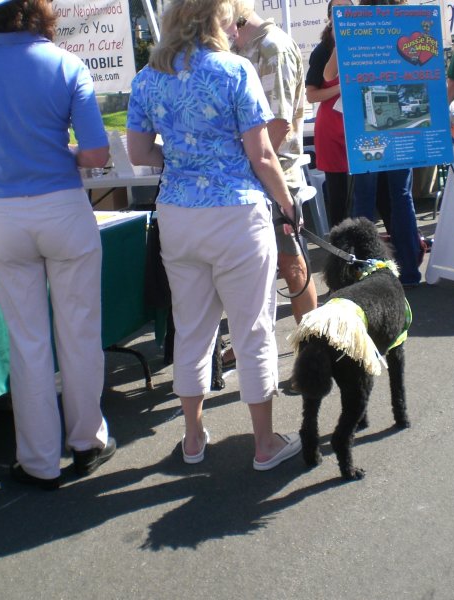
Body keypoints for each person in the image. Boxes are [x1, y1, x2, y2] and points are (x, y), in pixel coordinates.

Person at [0, 0, 116, 490]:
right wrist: (57, 152)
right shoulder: (65, 64)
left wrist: (4, 153)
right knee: (79, 332)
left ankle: (39, 460)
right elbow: (97, 153)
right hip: (63, 206)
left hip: (4, 214)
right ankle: (87, 442)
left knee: (26, 342)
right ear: (36, 11)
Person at [125, 0, 302, 469]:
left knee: (192, 328)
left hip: (178, 216)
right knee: (253, 328)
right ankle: (264, 444)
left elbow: (140, 152)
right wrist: (287, 203)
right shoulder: (235, 70)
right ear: (214, 18)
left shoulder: (147, 77)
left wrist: (184, 159)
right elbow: (262, 155)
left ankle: (192, 437)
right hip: (236, 215)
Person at [233, 0, 318, 328]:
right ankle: (249, 346)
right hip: (254, 173)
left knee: (291, 265)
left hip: (276, 173)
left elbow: (278, 126)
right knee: (256, 269)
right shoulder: (242, 48)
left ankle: (313, 347)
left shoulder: (273, 48)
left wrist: (246, 162)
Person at [346, 0, 423, 289]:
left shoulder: (356, 22)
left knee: (365, 201)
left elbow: (331, 74)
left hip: (364, 125)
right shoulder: (408, 20)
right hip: (398, 122)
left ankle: (366, 273)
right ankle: (410, 273)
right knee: (401, 197)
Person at [305, 0, 353, 229]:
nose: (344, 14)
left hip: (359, 126)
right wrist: (339, 88)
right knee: (338, 194)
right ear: (330, 18)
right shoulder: (322, 50)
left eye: (349, 9)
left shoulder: (365, 42)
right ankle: (340, 249)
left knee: (369, 190)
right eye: (338, 11)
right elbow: (311, 96)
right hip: (332, 129)